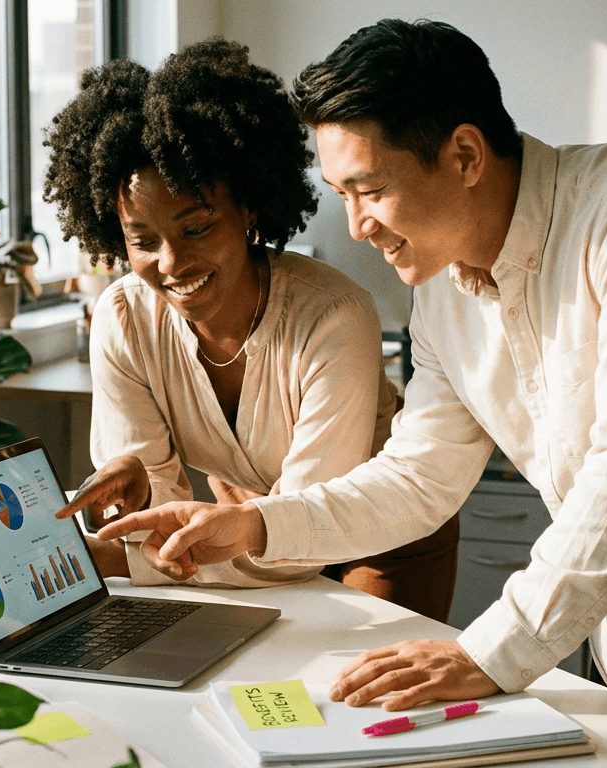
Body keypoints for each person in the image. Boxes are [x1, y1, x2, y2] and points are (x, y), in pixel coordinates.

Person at [93, 19, 607, 768]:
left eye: (369, 190)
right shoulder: (442, 291)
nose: (359, 224)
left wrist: (489, 651)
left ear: (467, 155)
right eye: (341, 194)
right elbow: (420, 476)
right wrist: (253, 522)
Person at [43, 39, 460, 620]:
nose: (170, 262)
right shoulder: (123, 319)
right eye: (142, 241)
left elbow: (303, 542)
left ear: (249, 211)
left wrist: (117, 559)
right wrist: (142, 496)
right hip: (243, 530)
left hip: (379, 533)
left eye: (197, 227)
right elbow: (160, 520)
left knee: (358, 694)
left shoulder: (333, 315)